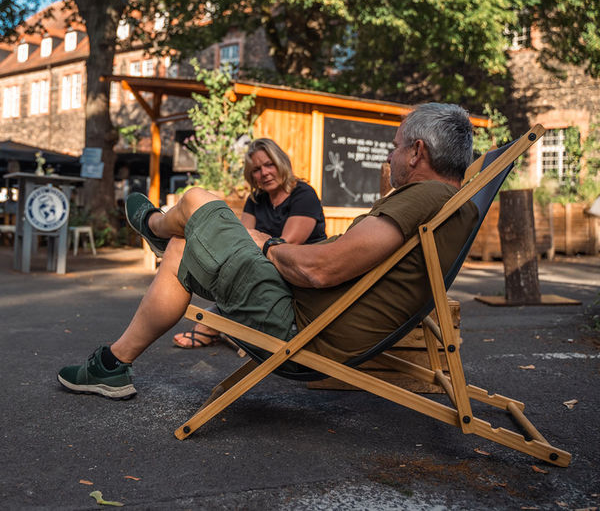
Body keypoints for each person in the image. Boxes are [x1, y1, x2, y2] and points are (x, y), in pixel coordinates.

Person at [57, 103, 478, 400]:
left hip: (300, 333)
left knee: (197, 200)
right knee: (184, 244)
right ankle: (113, 364)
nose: (391, 154)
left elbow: (321, 269)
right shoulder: (446, 201)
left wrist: (270, 246)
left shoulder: (424, 197)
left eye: (396, 145)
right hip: (309, 317)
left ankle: (151, 226)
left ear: (418, 151)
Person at [172, 137, 326, 347]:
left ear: (282, 162)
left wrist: (253, 244)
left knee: (239, 272)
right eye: (256, 169)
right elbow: (240, 239)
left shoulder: (303, 195)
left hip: (298, 274)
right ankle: (226, 324)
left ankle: (216, 322)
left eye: (269, 164)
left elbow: (287, 244)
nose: (264, 173)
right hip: (265, 267)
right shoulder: (256, 200)